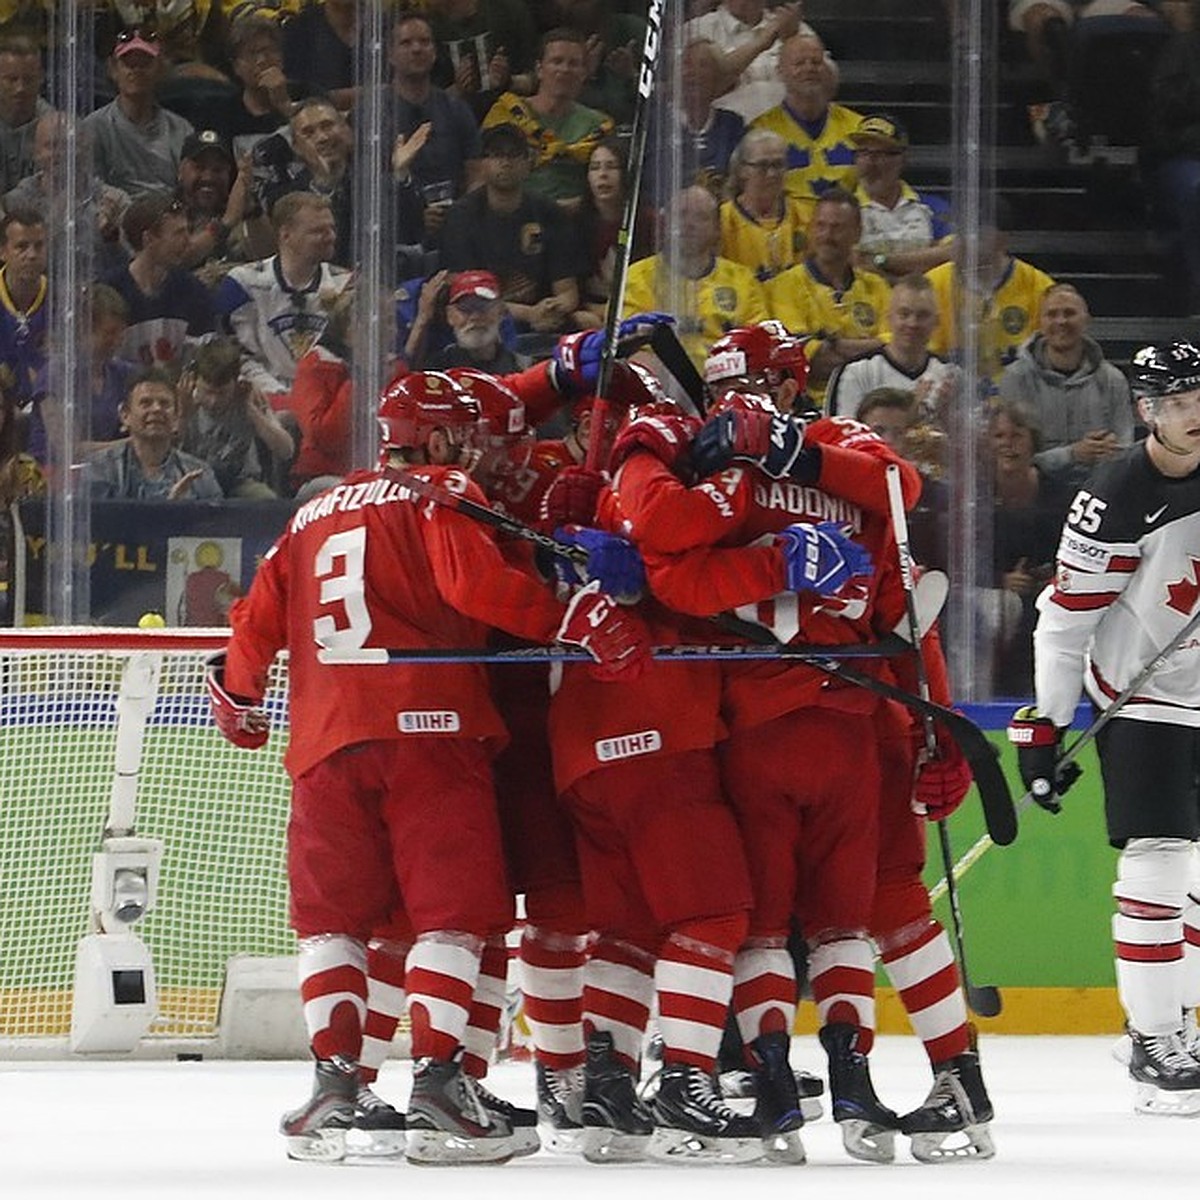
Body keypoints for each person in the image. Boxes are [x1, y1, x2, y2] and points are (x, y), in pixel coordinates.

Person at [206, 369, 649, 1164]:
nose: (474, 451)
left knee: (334, 924)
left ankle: (336, 1089)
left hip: (323, 745)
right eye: (464, 436)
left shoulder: (312, 510)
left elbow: (253, 619)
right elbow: (475, 586)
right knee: (455, 917)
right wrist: (569, 619)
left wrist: (239, 696)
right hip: (429, 735)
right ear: (439, 438)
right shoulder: (440, 490)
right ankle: (441, 1083)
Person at [1008, 340, 1200, 1117]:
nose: (1196, 413)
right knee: (1157, 863)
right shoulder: (1117, 493)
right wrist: (1046, 726)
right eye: (1179, 402)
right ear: (1147, 412)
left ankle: (1167, 1023)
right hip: (1143, 702)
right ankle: (1156, 1042)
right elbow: (1062, 621)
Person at [439, 121, 581, 339]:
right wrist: (528, 314)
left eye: (514, 154)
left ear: (528, 163)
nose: (505, 162)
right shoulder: (461, 216)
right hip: (483, 325)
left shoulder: (549, 212)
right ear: (483, 164)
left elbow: (568, 291)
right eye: (496, 154)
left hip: (546, 325)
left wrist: (553, 307)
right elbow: (463, 296)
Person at [215, 190, 351, 403]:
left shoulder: (345, 285)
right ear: (286, 234)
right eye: (318, 231)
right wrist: (280, 397)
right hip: (264, 404)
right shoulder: (244, 284)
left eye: (331, 229)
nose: (330, 237)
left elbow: (352, 358)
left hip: (323, 405)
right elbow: (238, 358)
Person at [996, 282, 1135, 489]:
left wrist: (1105, 453)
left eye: (1069, 313)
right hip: (1035, 493)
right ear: (1040, 323)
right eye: (1052, 314)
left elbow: (1125, 450)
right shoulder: (1015, 378)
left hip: (1098, 492)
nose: (1061, 321)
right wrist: (1073, 454)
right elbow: (1011, 458)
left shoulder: (1113, 380)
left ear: (1086, 320)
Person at [765, 186, 890, 406]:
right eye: (820, 226)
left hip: (871, 407)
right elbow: (806, 362)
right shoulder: (784, 286)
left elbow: (892, 352)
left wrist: (832, 343)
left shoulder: (877, 287)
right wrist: (870, 349)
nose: (827, 236)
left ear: (857, 232)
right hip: (809, 408)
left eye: (837, 228)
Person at [623, 185, 768, 373]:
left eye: (701, 217)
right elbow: (629, 343)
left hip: (727, 384)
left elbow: (758, 344)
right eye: (681, 214)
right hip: (659, 386)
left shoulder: (742, 281)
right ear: (665, 223)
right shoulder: (637, 277)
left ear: (717, 229)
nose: (688, 224)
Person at [986, 398, 1074, 695]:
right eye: (998, 436)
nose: (1008, 445)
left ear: (1032, 442)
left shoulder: (1059, 495)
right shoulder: (973, 497)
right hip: (992, 594)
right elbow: (958, 561)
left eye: (1016, 436)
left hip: (1048, 591)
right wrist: (1001, 580)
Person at [481, 27, 615, 212]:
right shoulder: (505, 114)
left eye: (574, 63)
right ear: (539, 69)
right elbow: (480, 176)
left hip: (577, 222)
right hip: (513, 219)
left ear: (584, 73)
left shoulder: (599, 125)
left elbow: (610, 187)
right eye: (557, 61)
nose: (565, 69)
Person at [383, 10, 483, 250]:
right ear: (390, 55)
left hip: (453, 229)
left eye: (425, 42)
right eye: (406, 43)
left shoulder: (456, 110)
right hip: (393, 234)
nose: (417, 49)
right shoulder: (372, 113)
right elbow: (363, 184)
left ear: (435, 52)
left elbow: (477, 173)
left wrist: (459, 211)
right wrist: (415, 213)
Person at [925, 214, 1056, 385]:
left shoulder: (1038, 287)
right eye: (959, 234)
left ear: (1002, 240)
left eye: (975, 235)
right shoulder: (933, 284)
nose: (962, 243)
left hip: (1019, 397)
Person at [3, 110, 129, 278]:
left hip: (99, 294)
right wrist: (57, 218)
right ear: (35, 153)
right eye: (51, 145)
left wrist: (111, 239)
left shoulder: (115, 201)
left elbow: (133, 268)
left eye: (69, 144)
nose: (61, 153)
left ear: (85, 149)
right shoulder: (14, 204)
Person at [101, 190, 218, 370]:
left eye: (188, 231)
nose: (187, 241)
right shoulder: (110, 290)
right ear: (148, 238)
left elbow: (208, 356)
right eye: (178, 233)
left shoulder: (192, 289)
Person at [750, 32, 862, 218]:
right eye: (799, 63)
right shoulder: (760, 131)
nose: (809, 68)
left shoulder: (858, 127)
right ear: (780, 71)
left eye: (816, 62)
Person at [826, 273, 958, 421]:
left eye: (923, 315)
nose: (912, 323)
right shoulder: (857, 372)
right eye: (904, 314)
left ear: (937, 321)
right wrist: (914, 412)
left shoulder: (951, 374)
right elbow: (842, 438)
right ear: (889, 317)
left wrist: (947, 417)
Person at [83, 28, 194, 200]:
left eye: (145, 63)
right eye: (128, 63)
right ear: (113, 69)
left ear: (160, 69)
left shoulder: (181, 129)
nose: (136, 70)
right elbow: (90, 187)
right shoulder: (94, 127)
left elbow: (188, 187)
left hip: (170, 217)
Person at [178, 335, 294, 500]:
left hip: (239, 483)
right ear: (195, 380)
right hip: (194, 482)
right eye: (207, 391)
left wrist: (252, 411)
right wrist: (183, 415)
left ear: (235, 382)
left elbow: (286, 450)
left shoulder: (248, 397)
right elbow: (165, 454)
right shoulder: (184, 399)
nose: (213, 401)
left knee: (265, 499)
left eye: (222, 393)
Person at [87, 367, 223, 501]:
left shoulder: (200, 474)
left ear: (176, 417)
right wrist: (170, 511)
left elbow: (218, 521)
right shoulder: (100, 468)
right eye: (146, 403)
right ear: (125, 415)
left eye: (164, 404)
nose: (157, 409)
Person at [247, 98, 354, 266]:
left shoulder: (371, 178)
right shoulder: (285, 196)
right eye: (308, 133)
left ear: (346, 130)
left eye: (327, 125)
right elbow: (273, 254)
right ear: (297, 148)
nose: (322, 138)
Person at [643, 38, 745, 211]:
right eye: (685, 64)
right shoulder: (654, 123)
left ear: (718, 79)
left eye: (703, 65)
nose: (691, 72)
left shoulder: (732, 125)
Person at [850, 114, 954, 283]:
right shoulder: (845, 211)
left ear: (902, 159)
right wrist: (924, 260)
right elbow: (854, 266)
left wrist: (881, 260)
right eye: (864, 152)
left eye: (881, 154)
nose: (871, 163)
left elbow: (952, 254)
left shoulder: (932, 207)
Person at [684, 0, 810, 123]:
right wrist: (761, 43)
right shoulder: (697, 29)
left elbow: (827, 86)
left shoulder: (791, 25)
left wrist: (792, 41)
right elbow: (704, 89)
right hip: (727, 133)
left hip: (792, 129)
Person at [573, 137, 652, 329]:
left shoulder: (648, 222)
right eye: (595, 167)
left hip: (637, 310)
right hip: (589, 312)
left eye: (611, 166)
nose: (603, 174)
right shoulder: (573, 222)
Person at [719, 127, 811, 284]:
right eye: (762, 165)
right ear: (742, 170)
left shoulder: (808, 216)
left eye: (778, 165)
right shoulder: (722, 221)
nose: (772, 174)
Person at [173, 128, 252, 279]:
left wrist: (253, 210)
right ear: (181, 171)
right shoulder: (163, 211)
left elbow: (270, 257)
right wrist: (225, 224)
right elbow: (174, 261)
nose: (208, 177)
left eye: (218, 170)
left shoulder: (239, 209)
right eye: (199, 167)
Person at [0, 33, 51, 195]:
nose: (20, 88)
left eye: (28, 79)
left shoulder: (54, 128)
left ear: (41, 78)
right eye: (12, 79)